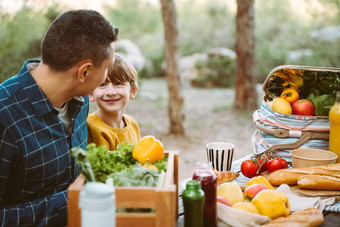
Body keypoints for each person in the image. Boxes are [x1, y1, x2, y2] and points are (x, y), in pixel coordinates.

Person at [0, 10, 119, 226]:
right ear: (84, 72)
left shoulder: (80, 100)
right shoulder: (4, 116)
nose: (106, 77)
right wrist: (71, 201)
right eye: (108, 68)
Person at [87, 53, 140, 151]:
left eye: (118, 83)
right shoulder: (90, 127)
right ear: (90, 93)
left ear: (133, 91)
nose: (110, 92)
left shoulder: (132, 124)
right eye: (102, 84)